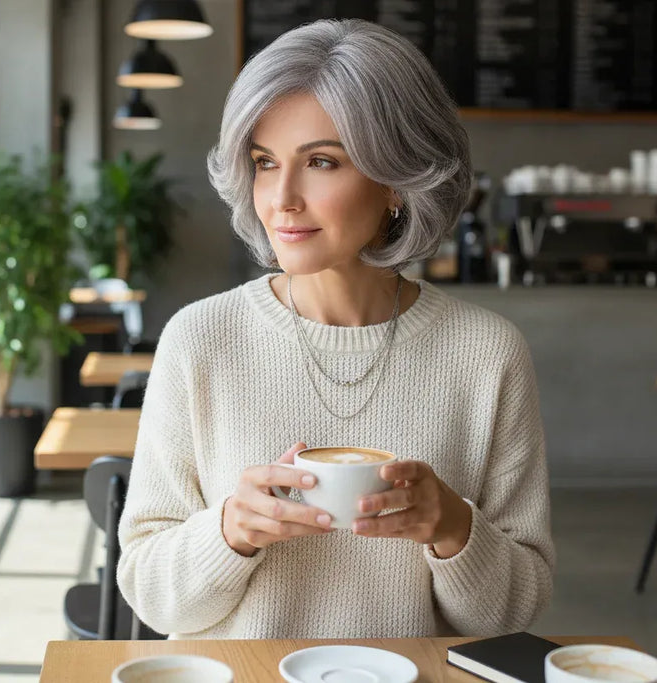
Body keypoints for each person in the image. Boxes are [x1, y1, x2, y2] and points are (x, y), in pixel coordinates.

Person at [116, 19, 553, 640]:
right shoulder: (199, 339)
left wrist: (453, 527)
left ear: (397, 180)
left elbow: (515, 614)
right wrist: (231, 530)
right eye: (265, 163)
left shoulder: (486, 353)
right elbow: (152, 599)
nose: (282, 198)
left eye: (321, 162)